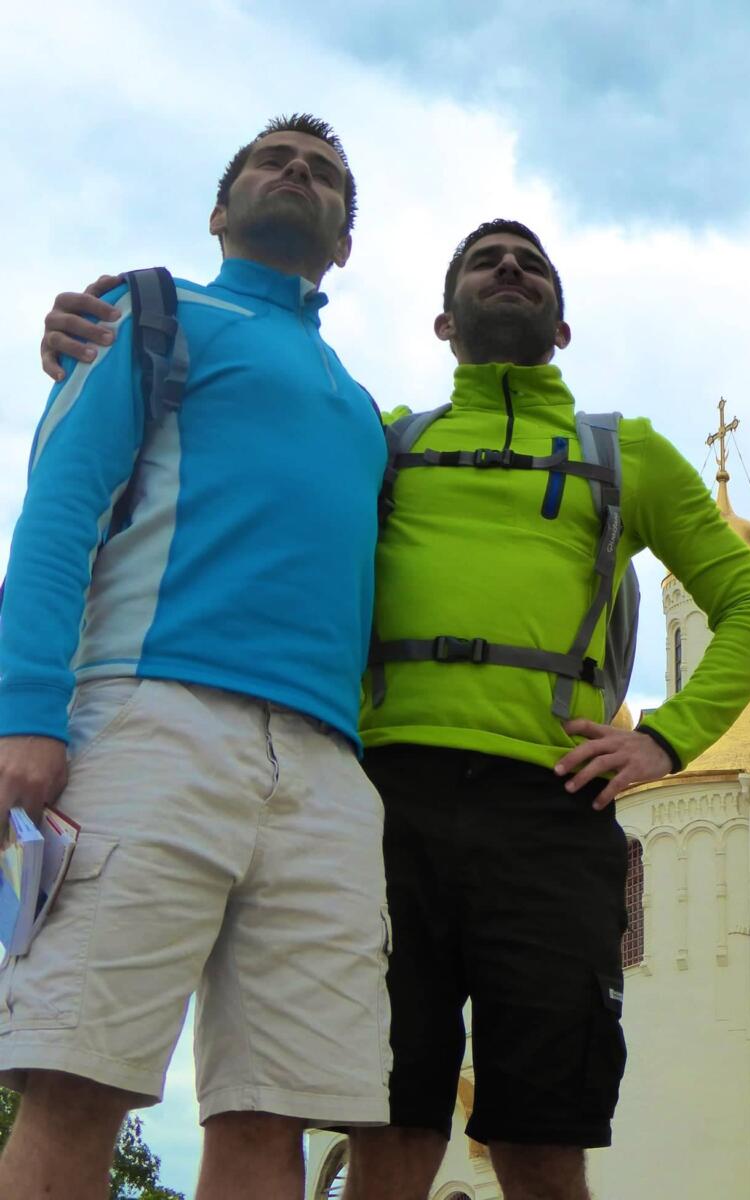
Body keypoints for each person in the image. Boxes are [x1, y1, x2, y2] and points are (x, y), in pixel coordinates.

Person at [40, 219, 750, 1200]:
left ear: (562, 327)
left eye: (531, 265)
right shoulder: (385, 442)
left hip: (551, 810)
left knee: (542, 1126)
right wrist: (97, 339)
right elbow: (250, 446)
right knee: (385, 1113)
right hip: (385, 811)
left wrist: (663, 739)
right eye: (485, 261)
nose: (510, 270)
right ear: (445, 321)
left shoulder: (624, 453)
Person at [1, 115, 392, 1200]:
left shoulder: (362, 407)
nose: (298, 175)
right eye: (273, 160)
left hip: (324, 769)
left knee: (273, 1108)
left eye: (323, 173)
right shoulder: (149, 312)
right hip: (146, 718)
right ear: (219, 212)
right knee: (75, 1073)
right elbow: (59, 508)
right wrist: (26, 713)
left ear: (345, 246)